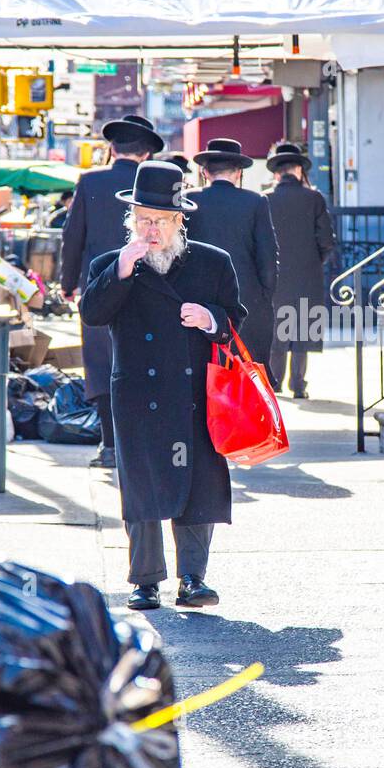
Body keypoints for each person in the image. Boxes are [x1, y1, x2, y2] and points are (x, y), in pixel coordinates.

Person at [80, 159, 246, 612]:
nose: (151, 229)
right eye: (143, 220)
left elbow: (235, 321)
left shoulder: (213, 262)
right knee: (142, 488)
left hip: (195, 397)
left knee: (197, 485)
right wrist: (121, 270)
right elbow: (92, 315)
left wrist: (210, 318)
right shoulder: (110, 263)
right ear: (131, 220)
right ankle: (145, 581)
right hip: (137, 394)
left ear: (179, 221)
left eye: (161, 221)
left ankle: (193, 579)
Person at [61, 113, 164, 469]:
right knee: (146, 361)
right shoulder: (158, 184)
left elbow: (72, 238)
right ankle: (143, 444)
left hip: (99, 285)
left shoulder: (89, 182)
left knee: (102, 363)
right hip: (151, 287)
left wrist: (67, 284)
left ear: (111, 148)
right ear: (146, 154)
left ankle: (109, 446)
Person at [186, 138, 279, 379]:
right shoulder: (255, 201)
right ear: (238, 173)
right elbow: (267, 256)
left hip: (198, 297)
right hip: (245, 297)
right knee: (245, 374)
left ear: (205, 172)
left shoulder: (189, 200)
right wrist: (264, 295)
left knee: (201, 370)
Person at [265, 141, 335, 398]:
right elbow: (327, 240)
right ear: (298, 170)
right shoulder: (314, 198)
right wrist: (315, 260)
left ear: (276, 173)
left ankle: (274, 383)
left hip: (274, 275)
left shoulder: (265, 199)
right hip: (308, 274)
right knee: (303, 330)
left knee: (276, 330)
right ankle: (298, 385)